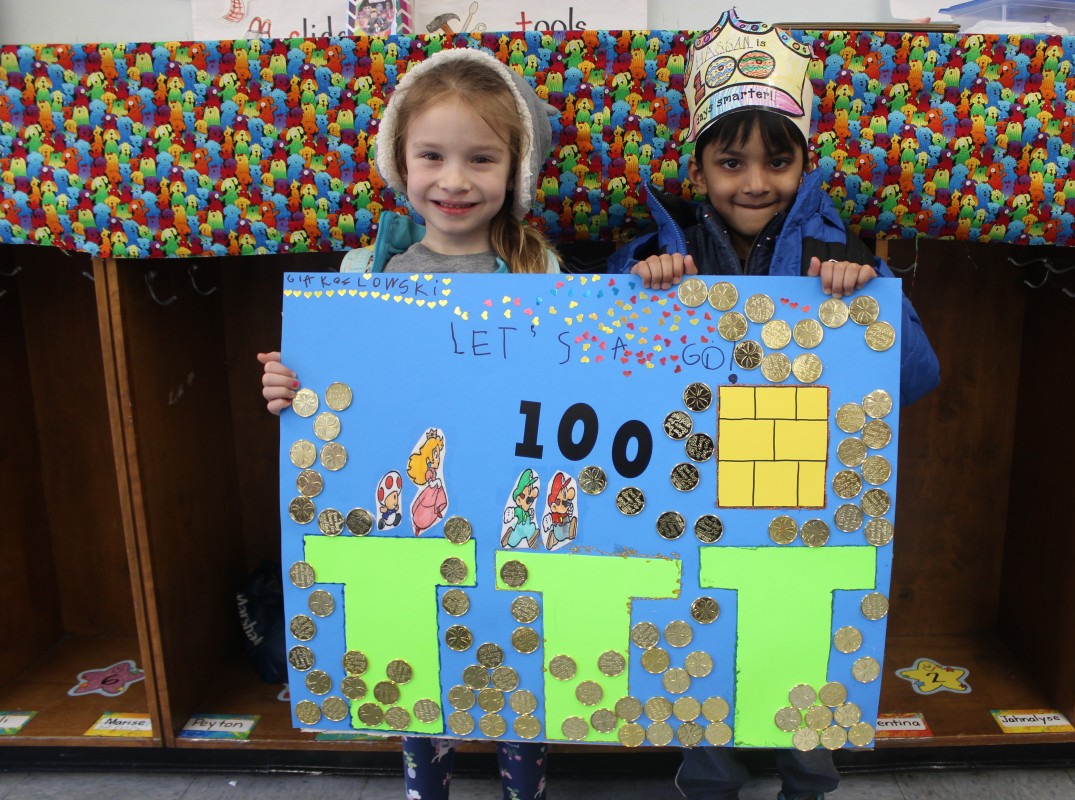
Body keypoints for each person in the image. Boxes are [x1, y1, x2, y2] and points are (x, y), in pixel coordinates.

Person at [611, 10, 939, 800]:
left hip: (802, 492)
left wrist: (867, 303)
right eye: (731, 163)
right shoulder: (658, 250)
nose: (754, 182)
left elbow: (919, 374)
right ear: (700, 172)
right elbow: (606, 363)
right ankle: (709, 773)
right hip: (690, 489)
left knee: (798, 635)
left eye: (776, 163)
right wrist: (643, 283)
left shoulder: (839, 254)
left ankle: (806, 775)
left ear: (805, 167)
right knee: (700, 624)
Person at [259, 46, 559, 800]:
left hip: (503, 507)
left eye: (481, 159)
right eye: (432, 156)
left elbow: (559, 389)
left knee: (517, 660)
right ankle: (427, 789)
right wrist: (291, 391)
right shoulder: (364, 273)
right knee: (416, 668)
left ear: (515, 172)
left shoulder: (539, 271)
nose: (454, 181)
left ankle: (526, 789)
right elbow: (334, 399)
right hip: (401, 506)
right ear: (400, 160)